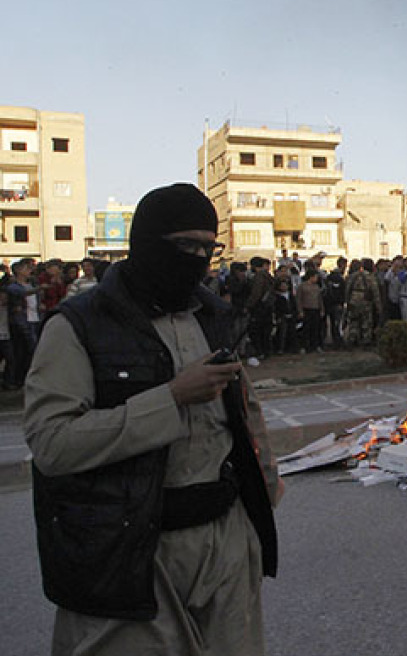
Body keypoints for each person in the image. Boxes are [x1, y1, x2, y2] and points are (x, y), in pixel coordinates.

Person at [23, 183, 279, 655]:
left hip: (222, 543)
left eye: (209, 247)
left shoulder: (211, 315)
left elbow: (243, 410)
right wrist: (171, 398)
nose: (198, 258)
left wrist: (265, 491)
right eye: (185, 246)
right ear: (146, 243)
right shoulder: (79, 325)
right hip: (131, 550)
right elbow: (53, 445)